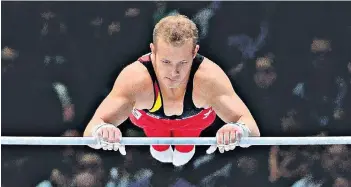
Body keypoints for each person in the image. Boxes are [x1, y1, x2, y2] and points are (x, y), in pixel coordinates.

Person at [83, 14, 260, 167]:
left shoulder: (209, 78)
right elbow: (90, 131)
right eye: (166, 62)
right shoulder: (135, 78)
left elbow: (252, 129)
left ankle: (183, 146)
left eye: (182, 63)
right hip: (150, 121)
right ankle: (161, 146)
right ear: (153, 51)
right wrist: (102, 131)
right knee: (162, 151)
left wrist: (238, 130)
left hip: (194, 122)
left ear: (194, 52)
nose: (174, 73)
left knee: (183, 154)